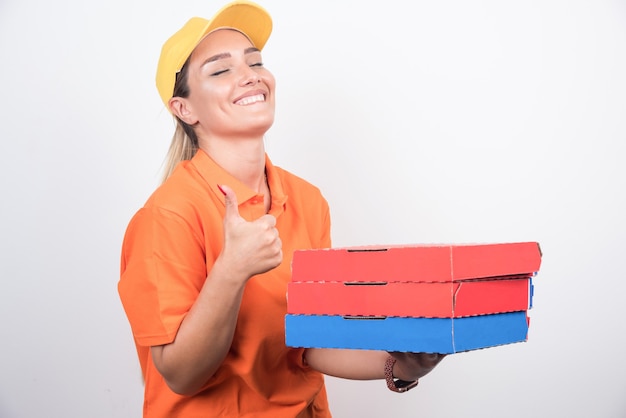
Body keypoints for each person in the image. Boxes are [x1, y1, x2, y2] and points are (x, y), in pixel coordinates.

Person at [118, 1, 445, 416]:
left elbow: (308, 344)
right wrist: (231, 271)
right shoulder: (167, 217)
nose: (250, 75)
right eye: (221, 70)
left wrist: (401, 366)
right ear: (184, 109)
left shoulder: (307, 200)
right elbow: (180, 374)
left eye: (254, 62)